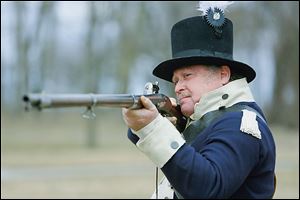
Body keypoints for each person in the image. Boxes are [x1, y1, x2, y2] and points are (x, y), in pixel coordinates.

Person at [122, 2, 276, 199]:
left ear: (223, 75)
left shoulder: (241, 124)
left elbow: (206, 188)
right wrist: (151, 125)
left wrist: (154, 128)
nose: (177, 87)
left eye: (187, 76)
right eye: (176, 80)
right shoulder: (205, 121)